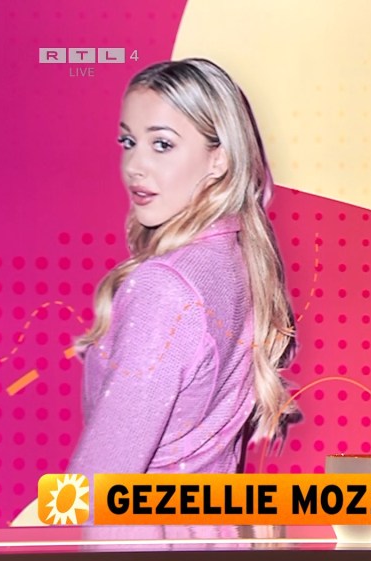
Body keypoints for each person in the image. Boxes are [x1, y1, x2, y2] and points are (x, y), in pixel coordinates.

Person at [68, 58, 299, 478]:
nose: (134, 166)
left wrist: (54, 514)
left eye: (162, 144)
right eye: (128, 141)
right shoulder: (237, 260)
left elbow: (97, 487)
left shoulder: (164, 287)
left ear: (219, 160)